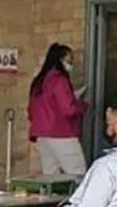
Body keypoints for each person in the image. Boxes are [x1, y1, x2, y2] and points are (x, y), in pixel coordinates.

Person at [28, 43, 89, 175]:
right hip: (62, 134)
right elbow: (68, 109)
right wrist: (83, 106)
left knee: (51, 177)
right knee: (77, 174)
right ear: (60, 60)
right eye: (69, 60)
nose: (70, 64)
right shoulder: (59, 80)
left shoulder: (39, 81)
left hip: (42, 136)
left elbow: (31, 111)